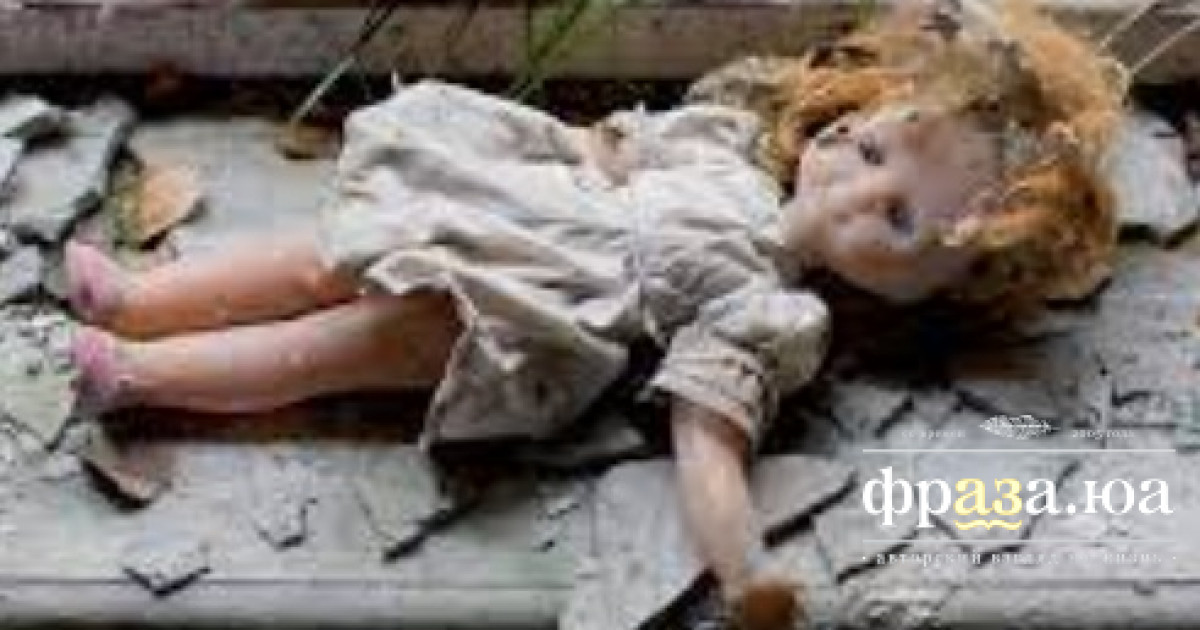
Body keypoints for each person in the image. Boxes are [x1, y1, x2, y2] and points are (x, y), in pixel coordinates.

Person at [64, 1, 1124, 627]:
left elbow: (708, 441)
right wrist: (522, 140)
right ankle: (141, 299)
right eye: (873, 146)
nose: (854, 185)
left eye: (898, 218)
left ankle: (140, 377)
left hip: (531, 313)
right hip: (505, 208)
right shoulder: (726, 145)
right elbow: (607, 148)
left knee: (341, 346)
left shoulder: (775, 313)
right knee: (319, 258)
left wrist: (746, 572)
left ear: (930, 287)